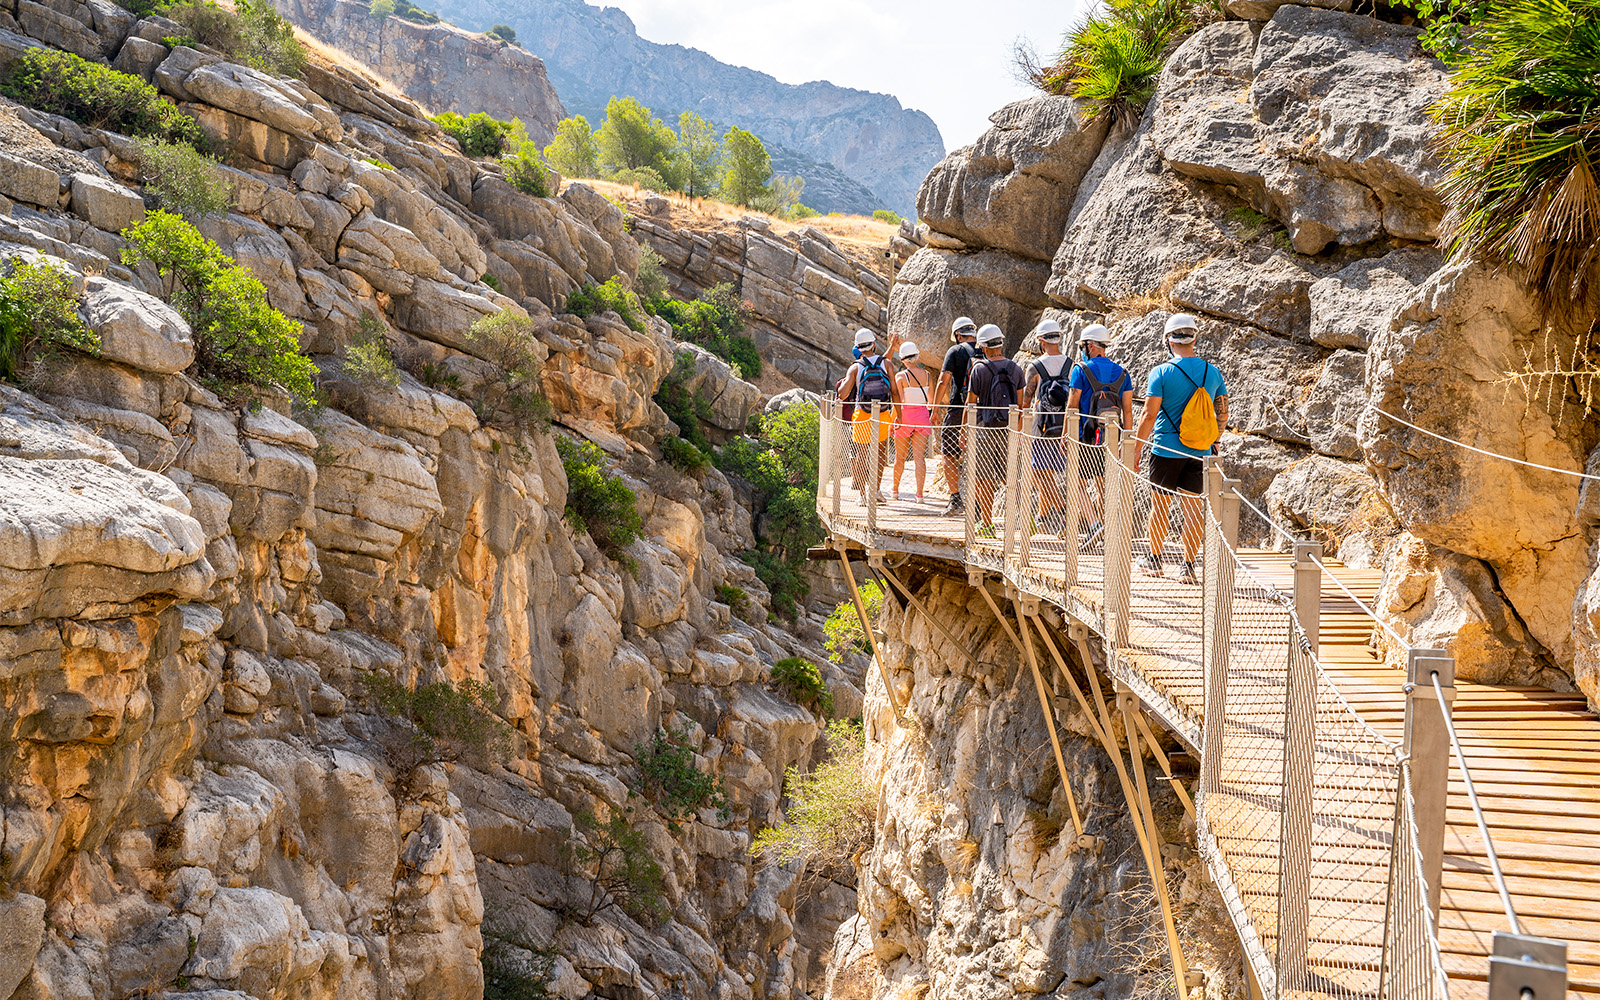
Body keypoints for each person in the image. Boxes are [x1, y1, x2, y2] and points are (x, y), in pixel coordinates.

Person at [1133, 313, 1228, 584]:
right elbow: (1222, 412)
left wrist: (1137, 448)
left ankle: (1154, 560)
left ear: (1168, 340)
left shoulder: (1161, 372)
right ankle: (1188, 566)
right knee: (1192, 509)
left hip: (1165, 450)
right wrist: (1215, 441)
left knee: (1160, 507)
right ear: (1194, 338)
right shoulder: (1212, 372)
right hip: (1199, 450)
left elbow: (1149, 415)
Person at [1066, 324, 1134, 547]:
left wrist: (1065, 435)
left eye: (1084, 345)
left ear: (1091, 345)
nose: (1083, 349)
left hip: (1085, 436)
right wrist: (1128, 441)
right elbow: (1127, 410)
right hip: (1112, 438)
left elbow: (1072, 405)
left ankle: (1096, 525)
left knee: (1076, 483)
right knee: (1104, 484)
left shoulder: (1080, 369)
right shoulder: (1123, 373)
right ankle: (1109, 532)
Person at [964, 324, 1023, 535]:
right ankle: (1026, 520)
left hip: (984, 429)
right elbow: (1020, 406)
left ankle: (987, 524)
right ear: (1001, 342)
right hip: (1008, 430)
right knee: (1011, 477)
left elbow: (970, 404)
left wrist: (964, 431)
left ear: (983, 346)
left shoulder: (979, 369)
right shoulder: (1016, 368)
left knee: (985, 477)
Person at [1020, 319, 1073, 533]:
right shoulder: (1070, 364)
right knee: (1047, 472)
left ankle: (1062, 513)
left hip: (1041, 426)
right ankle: (1042, 517)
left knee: (1037, 472)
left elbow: (1026, 400)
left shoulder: (1035, 367)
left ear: (1041, 341)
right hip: (1064, 426)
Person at [840, 327, 902, 497]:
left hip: (862, 413)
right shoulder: (886, 363)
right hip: (882, 413)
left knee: (862, 454)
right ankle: (876, 490)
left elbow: (843, 393)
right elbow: (895, 392)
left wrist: (847, 380)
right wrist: (900, 416)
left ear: (858, 348)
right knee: (880, 453)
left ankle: (861, 495)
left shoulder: (855, 367)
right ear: (874, 344)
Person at [934, 317, 980, 516]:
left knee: (948, 453)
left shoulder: (955, 351)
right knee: (979, 458)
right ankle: (979, 505)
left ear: (958, 335)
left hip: (958, 409)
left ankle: (956, 499)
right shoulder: (986, 349)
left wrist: (934, 409)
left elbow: (943, 381)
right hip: (982, 412)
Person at [892, 340, 934, 502]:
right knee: (919, 458)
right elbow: (930, 401)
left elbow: (899, 401)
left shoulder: (901, 376)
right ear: (916, 356)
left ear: (903, 359)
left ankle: (895, 491)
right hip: (922, 416)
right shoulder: (928, 375)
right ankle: (919, 495)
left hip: (905, 417)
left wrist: (893, 421)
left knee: (900, 457)